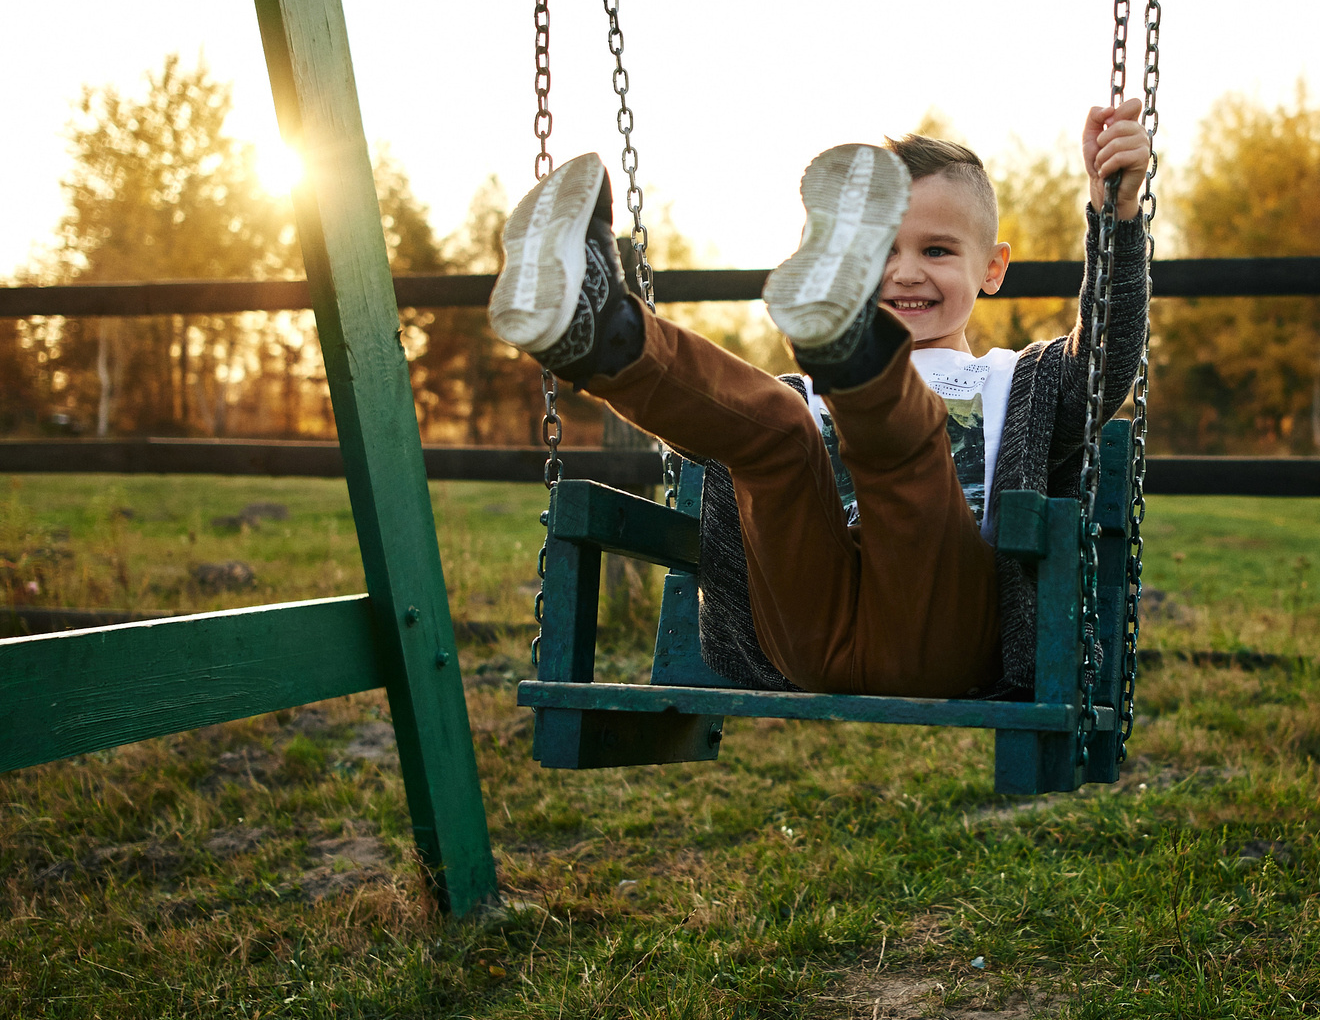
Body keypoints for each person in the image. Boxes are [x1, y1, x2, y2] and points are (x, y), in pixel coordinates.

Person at [488, 100, 1151, 700]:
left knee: (906, 448)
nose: (905, 271)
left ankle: (867, 365)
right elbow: (701, 420)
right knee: (771, 426)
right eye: (875, 253)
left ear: (993, 268)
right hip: (805, 632)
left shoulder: (1018, 382)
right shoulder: (805, 396)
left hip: (943, 637)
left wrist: (1114, 217)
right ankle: (604, 332)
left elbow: (1105, 360)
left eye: (938, 249)